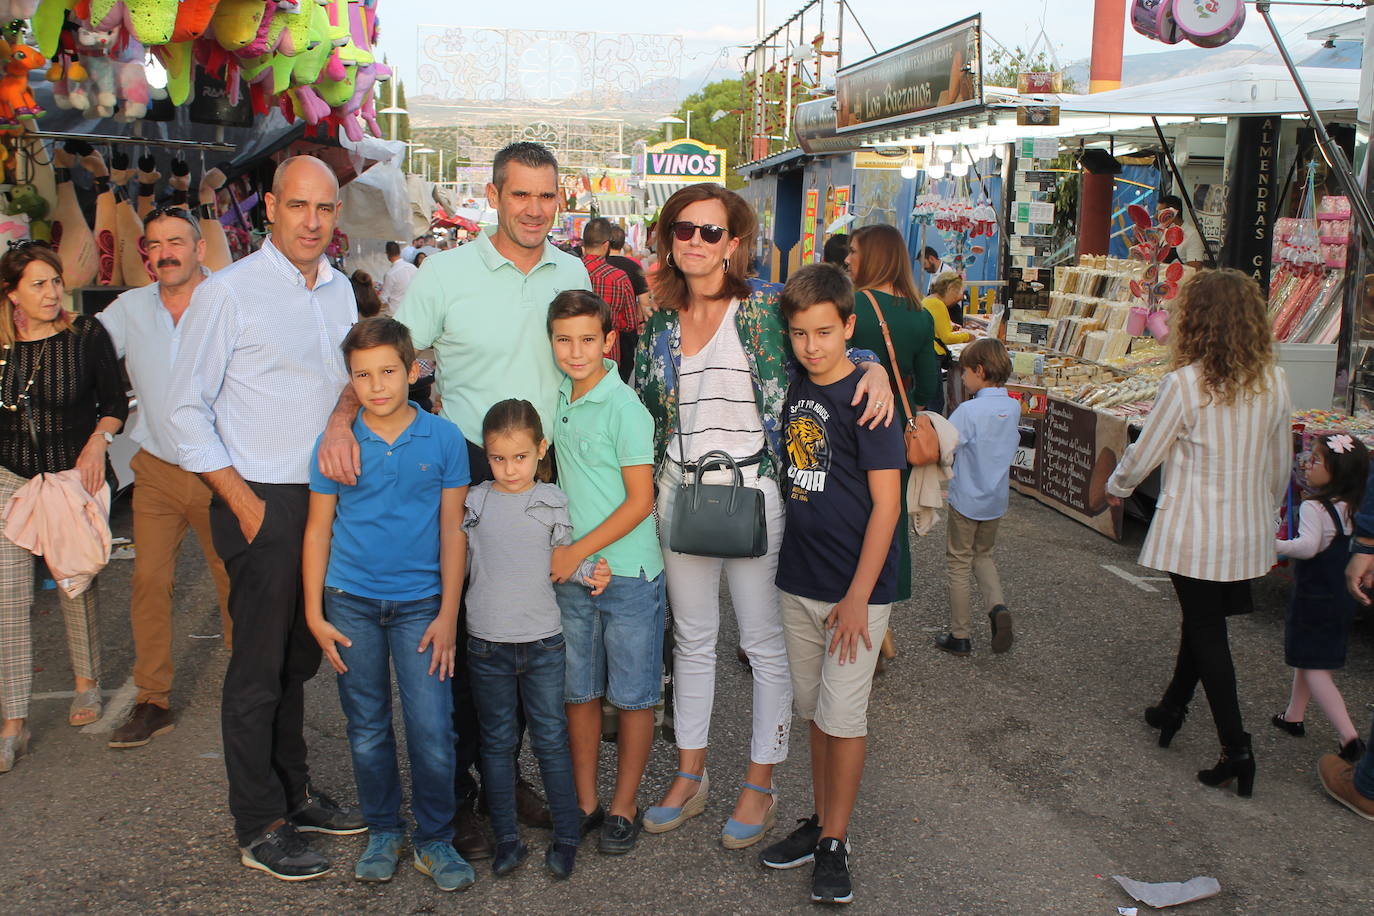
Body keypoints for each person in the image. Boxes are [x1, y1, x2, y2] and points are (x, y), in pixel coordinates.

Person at [319, 141, 592, 860]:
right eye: (521, 195)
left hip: (548, 466)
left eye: (547, 195)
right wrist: (341, 419)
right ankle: (468, 791)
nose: (534, 209)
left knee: (532, 632)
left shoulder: (572, 268)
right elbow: (392, 355)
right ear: (495, 197)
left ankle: (507, 774)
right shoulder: (447, 272)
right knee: (475, 640)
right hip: (473, 468)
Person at [635, 184, 893, 850]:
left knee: (761, 646)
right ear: (668, 238)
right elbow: (643, 408)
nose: (696, 242)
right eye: (684, 230)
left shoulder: (766, 309)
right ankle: (689, 776)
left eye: (711, 232)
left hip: (757, 494)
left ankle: (760, 784)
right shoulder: (656, 321)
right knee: (692, 639)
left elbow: (829, 345)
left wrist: (874, 369)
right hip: (679, 493)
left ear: (736, 241)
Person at [167, 156, 365, 880]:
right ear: (271, 212)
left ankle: (296, 792)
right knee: (256, 668)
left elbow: (342, 383)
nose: (312, 221)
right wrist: (241, 501)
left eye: (325, 208)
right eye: (298, 206)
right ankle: (258, 823)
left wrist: (345, 418)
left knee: (296, 660)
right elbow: (183, 409)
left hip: (322, 499)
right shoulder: (229, 292)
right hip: (261, 497)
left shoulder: (341, 291)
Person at [1106, 268, 1291, 799]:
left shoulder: (1187, 384)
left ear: (1195, 321)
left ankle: (1237, 746)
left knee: (1209, 632)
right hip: (1245, 525)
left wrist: (1119, 484)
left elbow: (1147, 451)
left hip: (1195, 529)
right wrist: (1267, 513)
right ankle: (1172, 706)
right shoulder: (1273, 382)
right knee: (1203, 620)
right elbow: (1280, 465)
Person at [303, 318, 474, 890]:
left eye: (388, 372)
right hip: (350, 603)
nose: (377, 386)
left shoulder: (444, 439)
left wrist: (449, 613)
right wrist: (314, 614)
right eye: (362, 375)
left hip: (422, 605)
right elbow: (317, 531)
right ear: (349, 379)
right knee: (368, 726)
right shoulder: (337, 444)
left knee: (431, 727)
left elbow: (455, 532)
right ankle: (383, 830)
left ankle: (435, 838)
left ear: (412, 370)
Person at [761, 263, 903, 905]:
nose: (812, 346)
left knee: (845, 720)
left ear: (849, 326)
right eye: (799, 334)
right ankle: (820, 823)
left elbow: (888, 507)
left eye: (825, 332)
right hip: (799, 579)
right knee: (816, 713)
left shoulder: (870, 404)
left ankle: (836, 841)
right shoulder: (796, 381)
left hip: (856, 592)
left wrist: (858, 597)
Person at [96, 209, 232, 751]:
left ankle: (254, 687)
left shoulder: (228, 301)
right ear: (146, 254)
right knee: (148, 581)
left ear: (200, 248)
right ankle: (153, 699)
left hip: (219, 470)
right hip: (154, 469)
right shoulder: (129, 309)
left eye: (177, 241)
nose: (167, 252)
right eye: (156, 245)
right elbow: (80, 352)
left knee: (235, 582)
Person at [462, 398, 610, 879]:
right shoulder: (475, 501)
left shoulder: (552, 501)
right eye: (499, 458)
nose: (509, 469)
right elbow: (456, 563)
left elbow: (561, 562)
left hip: (543, 643)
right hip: (487, 643)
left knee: (550, 738)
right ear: (487, 455)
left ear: (540, 450)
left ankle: (567, 832)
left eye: (521, 457)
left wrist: (592, 571)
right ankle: (506, 837)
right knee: (498, 743)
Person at [0, 242, 126, 773]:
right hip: (10, 479)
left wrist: (99, 440)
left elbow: (115, 403)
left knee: (74, 581)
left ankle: (87, 683)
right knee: (7, 594)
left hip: (72, 477)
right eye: (38, 284)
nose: (52, 292)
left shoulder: (86, 335)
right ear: (11, 295)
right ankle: (13, 721)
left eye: (55, 281)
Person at [548, 290, 663, 854]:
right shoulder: (558, 400)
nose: (575, 351)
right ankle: (585, 799)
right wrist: (568, 555)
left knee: (635, 693)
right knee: (580, 690)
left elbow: (640, 501)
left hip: (628, 573)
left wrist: (577, 551)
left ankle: (624, 803)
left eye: (587, 340)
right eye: (564, 340)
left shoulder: (626, 409)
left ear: (609, 342)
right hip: (577, 574)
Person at [846, 223, 940, 614]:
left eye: (853, 251)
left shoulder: (852, 305)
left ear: (874, 256)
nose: (848, 259)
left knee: (845, 508)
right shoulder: (919, 314)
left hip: (848, 413)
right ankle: (880, 608)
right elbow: (930, 388)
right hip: (896, 423)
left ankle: (848, 595)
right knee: (890, 514)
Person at [1272, 433, 1368, 762]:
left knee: (1314, 666)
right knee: (1309, 657)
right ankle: (1293, 715)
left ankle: (1349, 738)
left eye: (1315, 461)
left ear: (1336, 471)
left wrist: (1273, 545)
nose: (1307, 466)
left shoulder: (1315, 506)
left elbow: (1307, 547)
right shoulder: (1357, 506)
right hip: (1341, 596)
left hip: (1313, 596)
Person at [933, 338, 1020, 657]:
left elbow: (944, 445)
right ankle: (997, 607)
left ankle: (961, 633)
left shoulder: (968, 411)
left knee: (958, 561)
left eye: (965, 372)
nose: (963, 378)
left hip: (967, 497)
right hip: (995, 499)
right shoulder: (1013, 406)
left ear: (979, 371)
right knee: (984, 555)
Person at [579, 217, 638, 381]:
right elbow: (631, 322)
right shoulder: (619, 278)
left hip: (573, 352)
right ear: (606, 245)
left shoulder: (570, 271)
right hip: (607, 354)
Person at [922, 271, 973, 414]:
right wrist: (967, 336)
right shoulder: (937, 304)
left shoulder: (929, 301)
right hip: (932, 356)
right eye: (958, 292)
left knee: (929, 400)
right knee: (936, 402)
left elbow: (938, 327)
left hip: (926, 354)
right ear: (950, 289)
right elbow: (946, 337)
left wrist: (950, 326)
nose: (959, 297)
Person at [1158, 194, 1206, 269]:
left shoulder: (1192, 235)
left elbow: (1194, 269)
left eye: (1160, 213)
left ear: (1172, 213)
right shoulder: (1164, 232)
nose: (1156, 216)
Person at [380, 240, 418, 316]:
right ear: (399, 252)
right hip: (412, 309)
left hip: (395, 312)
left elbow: (384, 298)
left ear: (387, 254)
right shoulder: (413, 267)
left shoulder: (390, 274)